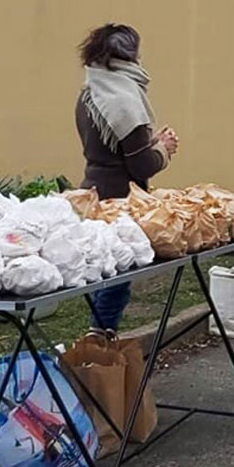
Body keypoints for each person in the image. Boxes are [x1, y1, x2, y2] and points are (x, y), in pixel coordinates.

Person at [75, 23, 178, 332]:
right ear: (129, 54)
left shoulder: (90, 92)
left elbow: (116, 149)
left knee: (105, 271)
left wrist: (149, 143)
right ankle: (99, 342)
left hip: (93, 193)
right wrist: (164, 149)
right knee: (117, 279)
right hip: (120, 201)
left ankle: (97, 345)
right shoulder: (122, 98)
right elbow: (141, 166)